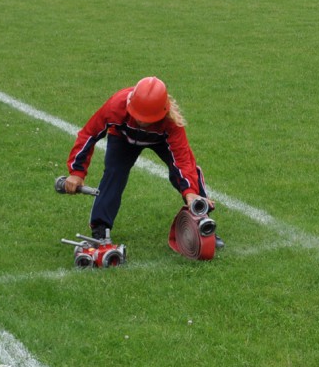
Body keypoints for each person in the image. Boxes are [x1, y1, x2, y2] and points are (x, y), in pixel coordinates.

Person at [62, 76, 221, 244]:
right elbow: (89, 134)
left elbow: (182, 160)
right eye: (138, 116)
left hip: (161, 140)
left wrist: (190, 192)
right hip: (123, 138)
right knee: (114, 173)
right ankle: (100, 229)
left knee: (184, 174)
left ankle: (203, 223)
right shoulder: (116, 105)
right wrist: (77, 172)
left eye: (147, 119)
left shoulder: (171, 123)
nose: (141, 121)